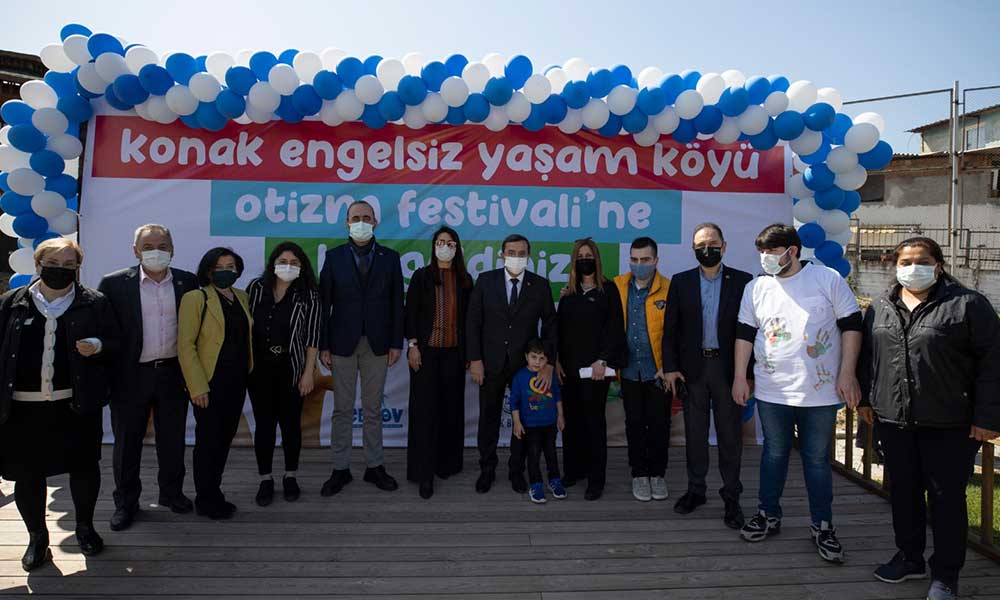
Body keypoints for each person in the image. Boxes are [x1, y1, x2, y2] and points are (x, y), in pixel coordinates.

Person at [858, 237, 1000, 600]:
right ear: (895, 266)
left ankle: (946, 573)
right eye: (904, 261)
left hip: (949, 423)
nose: (912, 268)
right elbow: (868, 359)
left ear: (938, 265)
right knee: (903, 493)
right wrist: (867, 404)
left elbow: (992, 364)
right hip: (894, 421)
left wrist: (987, 417)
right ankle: (909, 558)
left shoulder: (968, 304)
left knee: (946, 499)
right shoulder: (881, 306)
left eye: (921, 261)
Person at [733, 223, 862, 564]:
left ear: (792, 251)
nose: (765, 258)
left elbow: (852, 325)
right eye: (761, 252)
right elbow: (744, 334)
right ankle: (768, 514)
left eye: (772, 252)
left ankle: (822, 525)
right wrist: (740, 377)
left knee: (816, 459)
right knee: (773, 453)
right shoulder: (756, 287)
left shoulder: (827, 279)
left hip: (819, 394)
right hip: (771, 392)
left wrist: (847, 373)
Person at [0, 238, 118, 571]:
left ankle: (85, 528)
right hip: (22, 409)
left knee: (84, 469)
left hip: (76, 406)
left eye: (69, 264)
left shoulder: (95, 303)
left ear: (78, 268)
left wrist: (98, 345)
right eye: (52, 263)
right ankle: (37, 538)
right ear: (38, 265)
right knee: (28, 475)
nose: (60, 269)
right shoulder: (12, 302)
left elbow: (117, 343)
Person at [98, 224, 199, 532]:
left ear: (173, 249)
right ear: (135, 251)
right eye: (148, 246)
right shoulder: (113, 284)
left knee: (173, 440)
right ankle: (126, 502)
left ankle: (172, 493)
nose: (156, 251)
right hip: (130, 377)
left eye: (163, 245)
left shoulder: (187, 282)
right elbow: (105, 331)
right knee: (127, 444)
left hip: (173, 374)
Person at [661, 223, 752, 528]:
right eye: (700, 246)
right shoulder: (681, 281)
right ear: (693, 249)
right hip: (693, 371)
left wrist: (746, 374)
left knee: (730, 437)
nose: (707, 249)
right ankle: (696, 490)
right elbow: (670, 330)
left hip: (728, 370)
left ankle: (731, 497)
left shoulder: (743, 281)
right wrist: (670, 367)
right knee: (695, 435)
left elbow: (749, 330)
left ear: (724, 246)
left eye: (712, 244)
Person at [319, 200, 403, 496]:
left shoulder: (390, 258)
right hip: (341, 343)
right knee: (342, 409)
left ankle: (374, 466)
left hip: (377, 344)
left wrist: (396, 342)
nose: (361, 222)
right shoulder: (334, 257)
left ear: (376, 222)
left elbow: (397, 303)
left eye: (366, 217)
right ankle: (340, 469)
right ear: (346, 223)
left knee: (373, 409)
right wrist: (323, 345)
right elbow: (324, 304)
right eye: (356, 218)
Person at [466, 234, 558, 494]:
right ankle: (487, 470)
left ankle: (516, 470)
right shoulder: (486, 281)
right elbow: (473, 322)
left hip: (524, 366)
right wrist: (475, 360)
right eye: (511, 252)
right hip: (490, 363)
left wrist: (548, 362)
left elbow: (550, 326)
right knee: (488, 419)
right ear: (502, 254)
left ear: (528, 256)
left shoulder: (540, 285)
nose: (516, 257)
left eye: (521, 253)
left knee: (525, 420)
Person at [178, 247, 253, 520]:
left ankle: (214, 491)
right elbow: (185, 346)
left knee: (223, 440)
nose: (225, 271)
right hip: (210, 383)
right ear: (208, 271)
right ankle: (205, 498)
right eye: (219, 267)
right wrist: (197, 386)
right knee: (208, 441)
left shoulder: (242, 297)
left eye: (230, 266)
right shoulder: (196, 298)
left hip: (237, 381)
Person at [246, 242, 321, 506]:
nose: (288, 266)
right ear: (273, 263)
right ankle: (265, 478)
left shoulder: (309, 294)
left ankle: (290, 475)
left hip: (292, 368)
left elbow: (313, 337)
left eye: (294, 263)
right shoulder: (256, 288)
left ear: (302, 267)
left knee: (290, 425)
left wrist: (308, 372)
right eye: (283, 261)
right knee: (264, 425)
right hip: (258, 369)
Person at [404, 226, 473, 499]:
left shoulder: (465, 280)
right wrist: (412, 346)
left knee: (450, 411)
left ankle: (446, 464)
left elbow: (471, 321)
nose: (445, 247)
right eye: (441, 242)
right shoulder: (421, 276)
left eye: (451, 243)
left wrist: (470, 355)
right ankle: (424, 473)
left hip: (454, 355)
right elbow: (410, 314)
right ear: (434, 246)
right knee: (424, 413)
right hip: (426, 354)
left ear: (457, 248)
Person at [556, 238, 624, 501]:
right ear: (575, 261)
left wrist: (603, 360)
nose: (585, 260)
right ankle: (574, 471)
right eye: (580, 256)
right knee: (572, 423)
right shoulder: (568, 294)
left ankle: (596, 480)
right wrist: (557, 360)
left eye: (589, 255)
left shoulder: (609, 290)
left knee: (594, 424)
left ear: (596, 258)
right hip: (569, 370)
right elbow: (560, 331)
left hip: (595, 371)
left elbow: (614, 329)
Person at [614, 237, 672, 503]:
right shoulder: (617, 286)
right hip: (628, 371)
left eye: (646, 259)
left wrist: (668, 366)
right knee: (634, 424)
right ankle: (639, 473)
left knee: (659, 424)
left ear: (656, 261)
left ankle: (657, 474)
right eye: (635, 260)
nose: (640, 265)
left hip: (659, 372)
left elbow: (677, 332)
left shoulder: (670, 289)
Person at [510, 338, 566, 504]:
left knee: (551, 453)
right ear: (526, 356)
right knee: (533, 454)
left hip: (549, 424)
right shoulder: (520, 377)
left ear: (548, 360)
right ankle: (536, 484)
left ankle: (554, 480)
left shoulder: (550, 376)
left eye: (542, 358)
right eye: (534, 357)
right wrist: (517, 422)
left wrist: (560, 415)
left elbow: (557, 396)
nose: (537, 362)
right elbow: (514, 402)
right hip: (531, 425)